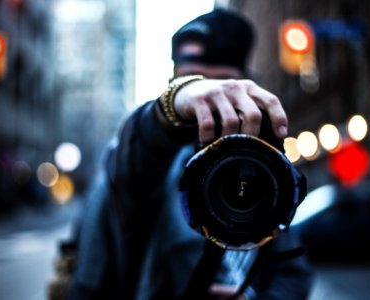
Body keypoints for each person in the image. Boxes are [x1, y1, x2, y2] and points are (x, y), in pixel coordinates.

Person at [55, 8, 313, 300]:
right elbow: (135, 154)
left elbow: (292, 271)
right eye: (195, 84)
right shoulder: (150, 165)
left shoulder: (263, 169)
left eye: (225, 85)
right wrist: (173, 104)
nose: (212, 101)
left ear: (246, 84)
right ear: (173, 87)